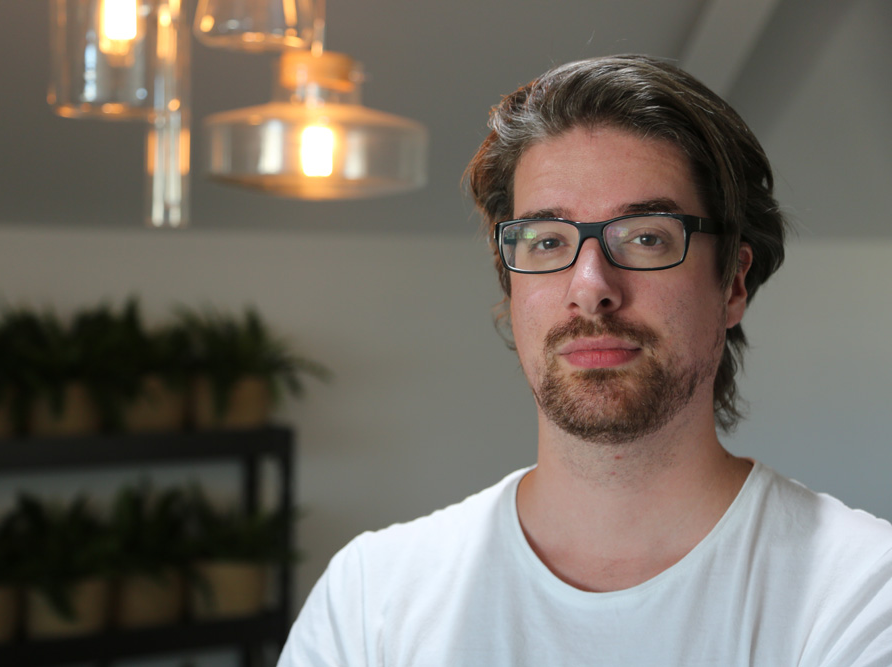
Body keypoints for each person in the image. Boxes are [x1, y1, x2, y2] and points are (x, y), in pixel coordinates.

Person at [277, 54, 892, 665]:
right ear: (512, 290)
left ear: (732, 282)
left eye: (646, 237)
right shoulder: (370, 599)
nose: (591, 286)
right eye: (547, 241)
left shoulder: (860, 591)